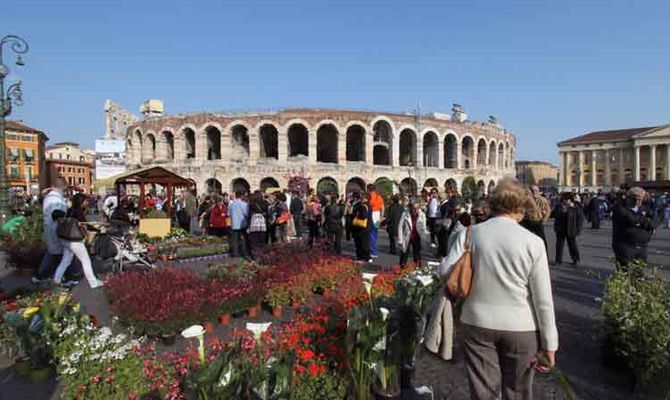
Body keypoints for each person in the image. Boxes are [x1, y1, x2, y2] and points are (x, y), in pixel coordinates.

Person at [438, 178, 558, 400]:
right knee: (518, 392)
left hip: (476, 321)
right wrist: (550, 343)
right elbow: (543, 299)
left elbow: (445, 270)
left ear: (493, 204)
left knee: (484, 393)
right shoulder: (533, 242)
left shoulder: (470, 234)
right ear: (521, 208)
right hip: (521, 327)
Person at [33, 178, 80, 285]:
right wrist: (68, 211)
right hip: (56, 230)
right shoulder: (56, 199)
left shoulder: (50, 197)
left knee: (54, 253)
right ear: (63, 187)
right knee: (63, 254)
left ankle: (42, 276)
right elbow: (56, 214)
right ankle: (64, 278)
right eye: (65, 188)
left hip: (51, 229)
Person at [53, 193, 104, 289]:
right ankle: (93, 283)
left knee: (65, 261)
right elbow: (85, 225)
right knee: (86, 261)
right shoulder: (78, 212)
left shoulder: (69, 210)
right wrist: (97, 229)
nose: (87, 202)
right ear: (81, 201)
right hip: (75, 241)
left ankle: (56, 280)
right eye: (85, 201)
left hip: (65, 239)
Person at [612, 187, 661, 269]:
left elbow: (655, 217)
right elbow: (632, 219)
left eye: (641, 199)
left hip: (642, 246)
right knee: (625, 272)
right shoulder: (620, 208)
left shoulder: (643, 207)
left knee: (639, 273)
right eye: (636, 199)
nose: (639, 202)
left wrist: (651, 227)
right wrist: (648, 225)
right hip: (625, 246)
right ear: (629, 198)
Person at [552, 193, 584, 265]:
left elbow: (580, 219)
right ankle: (558, 260)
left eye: (566, 200)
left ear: (570, 200)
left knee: (572, 245)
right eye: (564, 200)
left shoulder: (575, 208)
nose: (565, 201)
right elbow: (553, 214)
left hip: (571, 229)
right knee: (559, 246)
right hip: (560, 229)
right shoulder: (559, 207)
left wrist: (578, 229)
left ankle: (575, 258)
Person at [397, 199, 429, 268]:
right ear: (411, 207)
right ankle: (402, 267)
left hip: (417, 236)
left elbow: (423, 228)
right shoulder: (405, 214)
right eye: (414, 208)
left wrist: (425, 238)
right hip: (407, 235)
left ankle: (418, 268)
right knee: (404, 252)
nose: (415, 210)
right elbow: (400, 226)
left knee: (417, 253)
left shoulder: (422, 215)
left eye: (417, 208)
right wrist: (400, 239)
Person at [521, 185, 550, 249]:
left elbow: (548, 211)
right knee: (526, 240)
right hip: (527, 222)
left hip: (538, 222)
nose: (535, 192)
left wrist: (544, 221)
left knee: (542, 240)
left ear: (539, 191)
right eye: (533, 190)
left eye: (536, 190)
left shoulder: (543, 200)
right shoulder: (526, 200)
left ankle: (544, 254)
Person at [228, 191, 249, 258]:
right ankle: (244, 252)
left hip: (234, 224)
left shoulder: (231, 205)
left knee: (234, 240)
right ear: (241, 196)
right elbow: (246, 214)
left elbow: (229, 214)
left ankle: (235, 253)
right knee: (244, 239)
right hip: (242, 224)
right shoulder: (244, 204)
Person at [352, 193, 372, 262]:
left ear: (365, 198)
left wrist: (357, 214)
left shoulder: (363, 206)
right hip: (368, 226)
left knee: (361, 242)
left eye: (362, 198)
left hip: (362, 227)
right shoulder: (369, 205)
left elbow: (363, 216)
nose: (361, 199)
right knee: (366, 243)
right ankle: (367, 257)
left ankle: (361, 257)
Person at [368, 184, 385, 258]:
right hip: (377, 215)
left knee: (370, 234)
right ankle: (374, 250)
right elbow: (382, 208)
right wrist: (381, 216)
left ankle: (373, 251)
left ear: (369, 189)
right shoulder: (379, 197)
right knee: (375, 233)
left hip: (371, 214)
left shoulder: (369, 197)